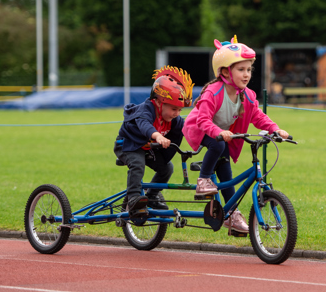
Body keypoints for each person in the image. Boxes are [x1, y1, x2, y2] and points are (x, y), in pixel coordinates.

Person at [183, 36, 289, 235]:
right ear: (225, 71)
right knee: (218, 146)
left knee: (226, 171)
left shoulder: (246, 95)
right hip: (200, 128)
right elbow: (203, 120)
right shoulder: (213, 92)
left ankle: (231, 214)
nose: (246, 74)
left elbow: (257, 116)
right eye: (241, 69)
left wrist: (275, 129)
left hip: (222, 134)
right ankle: (203, 179)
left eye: (249, 69)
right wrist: (219, 132)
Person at [114, 66, 194, 215]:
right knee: (137, 165)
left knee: (167, 168)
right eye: (173, 109)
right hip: (128, 145)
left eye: (180, 110)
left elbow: (188, 129)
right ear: (158, 102)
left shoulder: (174, 119)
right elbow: (145, 125)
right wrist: (158, 136)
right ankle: (133, 198)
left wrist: (206, 137)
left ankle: (151, 195)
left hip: (148, 148)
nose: (177, 114)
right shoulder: (146, 110)